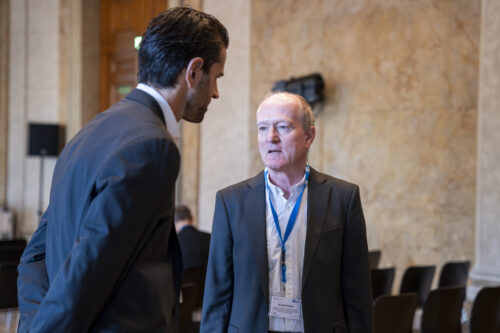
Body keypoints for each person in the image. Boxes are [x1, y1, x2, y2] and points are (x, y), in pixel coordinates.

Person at [17, 7, 228, 332]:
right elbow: (87, 273)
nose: (215, 92)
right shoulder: (153, 148)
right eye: (217, 77)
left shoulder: (84, 136)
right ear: (194, 71)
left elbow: (35, 258)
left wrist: (33, 326)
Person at [201, 92, 373, 333]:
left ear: (309, 136)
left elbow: (358, 293)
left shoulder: (343, 198)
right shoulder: (231, 202)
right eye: (262, 129)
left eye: (282, 127)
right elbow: (217, 294)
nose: (270, 138)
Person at [175, 204, 211, 270]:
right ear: (192, 218)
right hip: (204, 279)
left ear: (174, 222)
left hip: (183, 280)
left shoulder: (173, 242)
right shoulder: (209, 237)